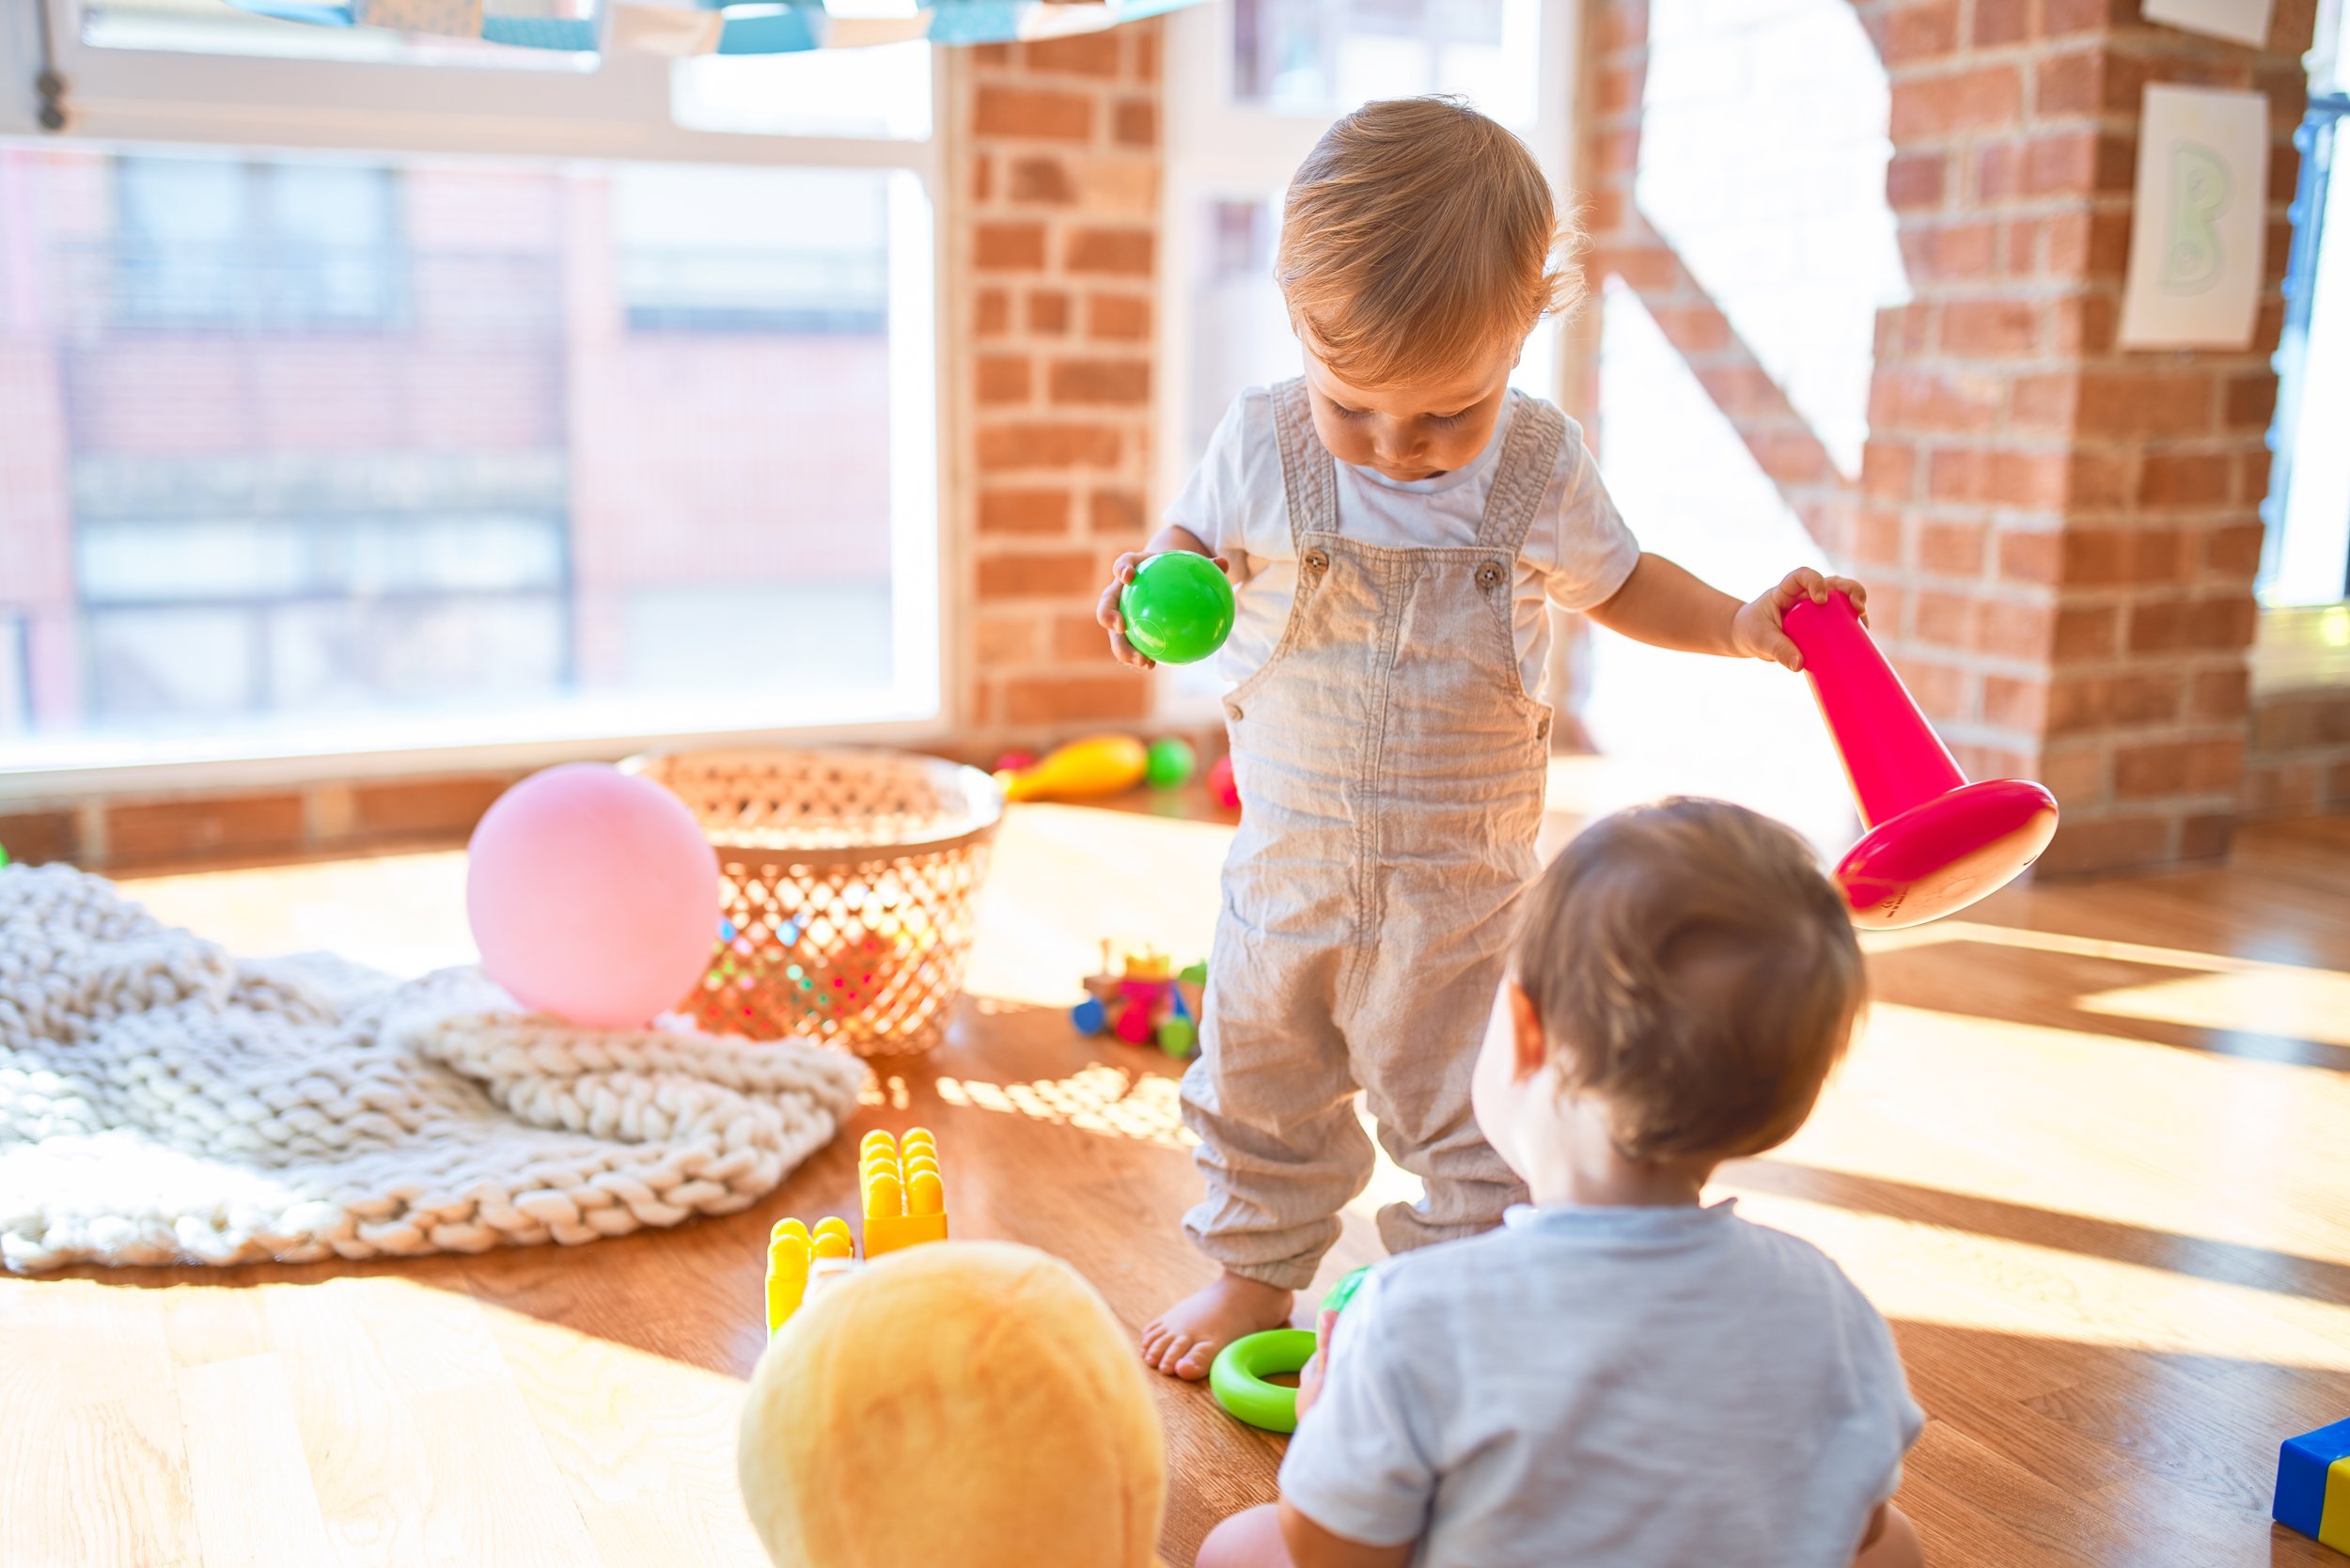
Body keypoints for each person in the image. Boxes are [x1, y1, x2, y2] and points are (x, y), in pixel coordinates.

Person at [1098, 95, 1871, 1377]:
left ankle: (1456, 1299)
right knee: (1253, 1073)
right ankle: (1250, 1276)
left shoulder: (1538, 465)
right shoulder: (1263, 440)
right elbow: (1183, 553)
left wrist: (1739, 623)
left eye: (1449, 414)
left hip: (1461, 891)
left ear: (1530, 324)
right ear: (1299, 325)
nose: (1401, 450)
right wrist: (1148, 587)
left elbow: (1620, 581)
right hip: (1288, 867)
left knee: (1472, 1110)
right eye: (1359, 411)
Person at [1194, 799, 1925, 1568]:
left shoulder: (1412, 1316)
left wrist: (1326, 1413)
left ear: (1526, 1031)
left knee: (1238, 1547)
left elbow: (1333, 1552)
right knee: (1896, 1546)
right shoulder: (1828, 1306)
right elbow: (1865, 1524)